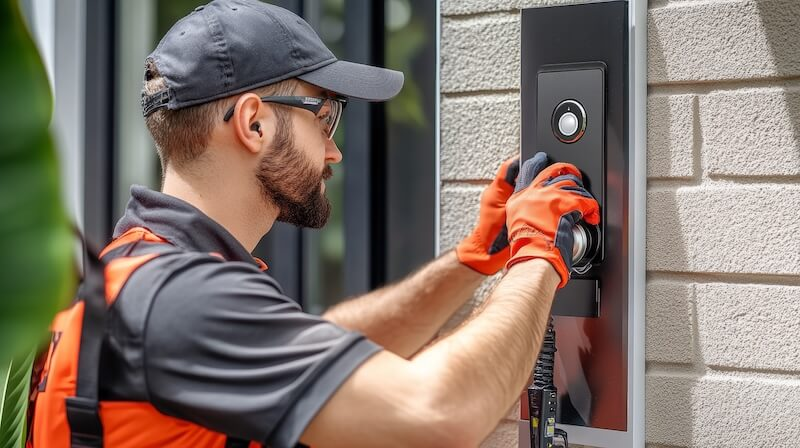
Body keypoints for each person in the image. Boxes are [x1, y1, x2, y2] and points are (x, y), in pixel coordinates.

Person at [31, 1, 600, 447]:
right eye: (325, 116)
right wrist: (538, 254)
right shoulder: (184, 299)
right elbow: (437, 414)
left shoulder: (134, 269)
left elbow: (327, 349)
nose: (334, 151)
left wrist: (471, 261)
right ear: (253, 124)